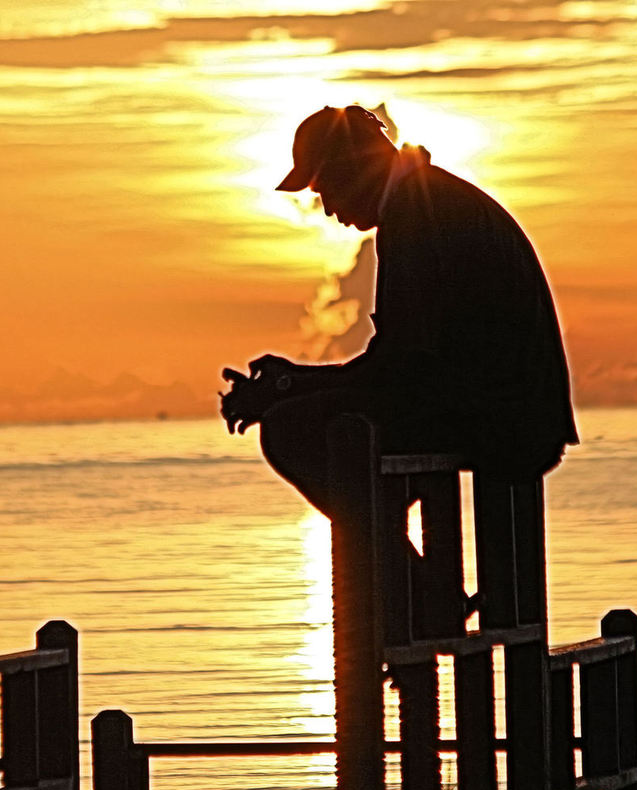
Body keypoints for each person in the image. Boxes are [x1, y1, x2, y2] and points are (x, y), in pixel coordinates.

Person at [220, 105, 578, 516]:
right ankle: (401, 567)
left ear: (352, 166)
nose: (330, 209)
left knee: (290, 427)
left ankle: (394, 571)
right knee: (319, 427)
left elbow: (399, 367)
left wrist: (291, 389)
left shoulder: (419, 215)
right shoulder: (427, 200)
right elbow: (401, 363)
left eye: (324, 188)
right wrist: (297, 383)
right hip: (505, 410)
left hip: (501, 421)